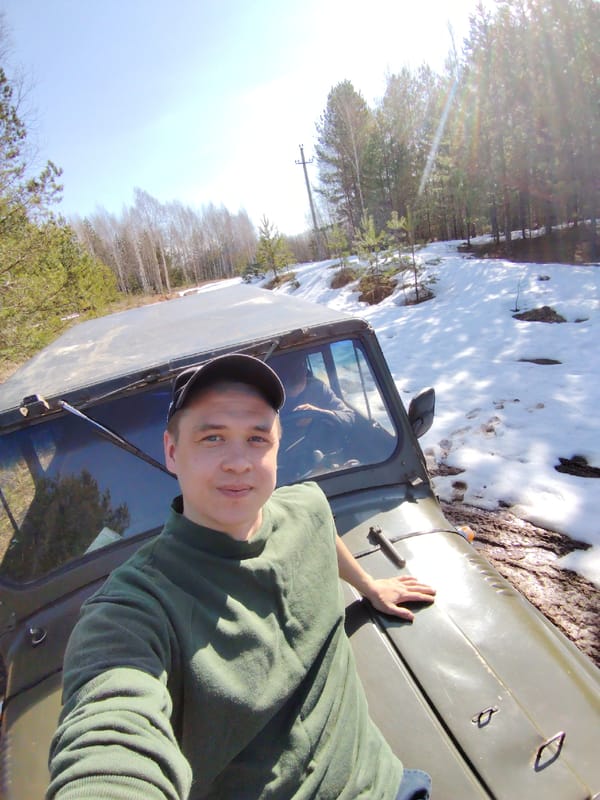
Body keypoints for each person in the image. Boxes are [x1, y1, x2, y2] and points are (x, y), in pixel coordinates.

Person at [47, 353, 435, 800]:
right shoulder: (133, 609)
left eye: (257, 438)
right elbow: (110, 735)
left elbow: (319, 524)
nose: (238, 461)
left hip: (386, 779)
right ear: (172, 452)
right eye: (212, 438)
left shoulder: (305, 506)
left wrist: (368, 585)